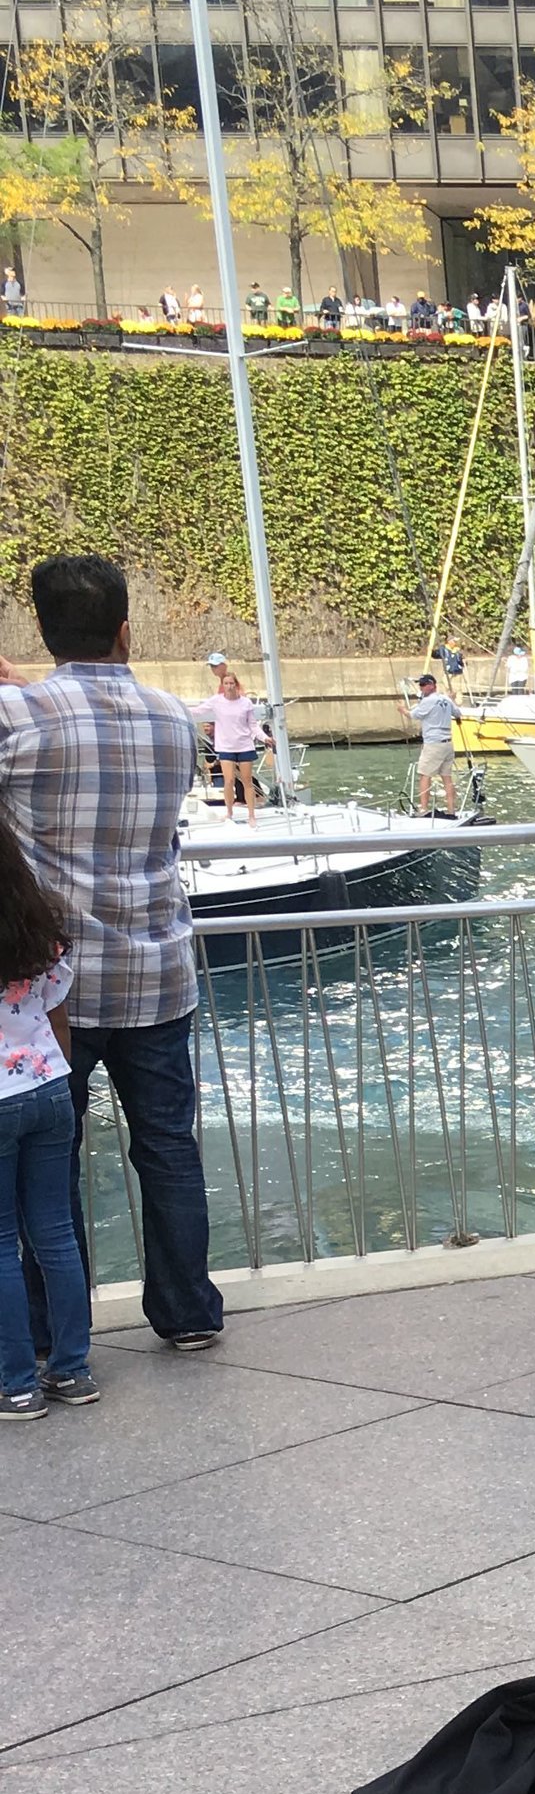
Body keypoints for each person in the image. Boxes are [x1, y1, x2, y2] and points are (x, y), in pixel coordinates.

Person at [0, 553, 222, 1351]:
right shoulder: (175, 718)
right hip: (160, 971)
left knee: (50, 1169)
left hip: (53, 992)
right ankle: (189, 1312)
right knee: (167, 1147)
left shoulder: (19, 718)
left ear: (42, 627)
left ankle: (60, 1340)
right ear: (127, 630)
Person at [0, 795, 93, 1415]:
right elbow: (56, 1011)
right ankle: (73, 1369)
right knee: (55, 1233)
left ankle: (16, 1383)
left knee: (2, 1242)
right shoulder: (36, 922)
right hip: (47, 1085)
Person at [198, 657, 265, 822]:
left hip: (243, 743)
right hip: (226, 744)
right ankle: (230, 811)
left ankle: (251, 813)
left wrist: (264, 738)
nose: (213, 670)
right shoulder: (218, 695)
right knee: (229, 779)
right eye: (211, 667)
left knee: (246, 779)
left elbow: (250, 722)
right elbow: (202, 709)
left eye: (215, 666)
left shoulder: (242, 698)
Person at [410, 672, 460, 815]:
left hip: (434, 744)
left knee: (425, 775)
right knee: (447, 778)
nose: (422, 688)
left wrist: (402, 710)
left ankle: (424, 809)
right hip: (447, 745)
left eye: (424, 685)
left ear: (432, 685)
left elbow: (413, 715)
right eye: (421, 685)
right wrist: (452, 700)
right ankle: (451, 810)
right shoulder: (446, 699)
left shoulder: (427, 701)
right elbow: (457, 713)